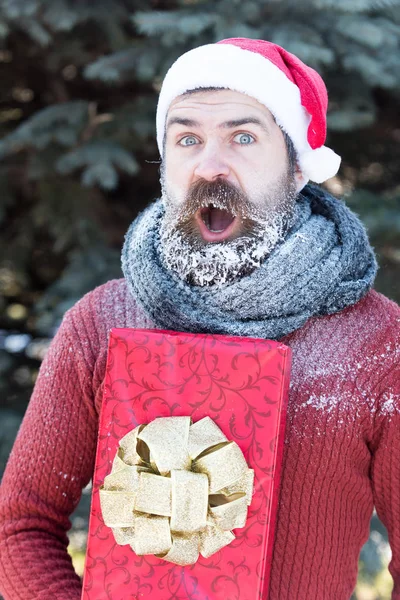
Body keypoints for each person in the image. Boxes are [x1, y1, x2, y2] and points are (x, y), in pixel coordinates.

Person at [0, 37, 399, 600]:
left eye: (243, 137)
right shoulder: (102, 323)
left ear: (296, 167)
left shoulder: (376, 345)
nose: (210, 165)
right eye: (187, 139)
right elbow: (20, 526)